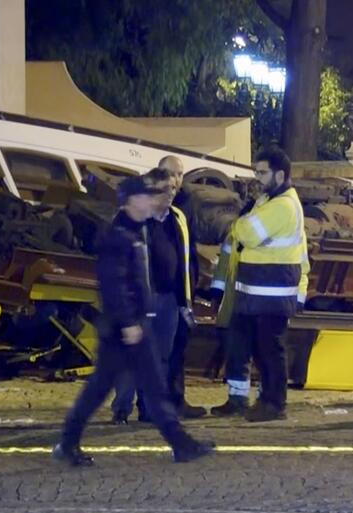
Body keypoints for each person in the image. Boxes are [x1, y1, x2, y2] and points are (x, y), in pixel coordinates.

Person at [53, 174, 214, 466]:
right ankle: (68, 442)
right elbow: (113, 284)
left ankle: (180, 444)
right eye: (143, 196)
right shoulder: (118, 235)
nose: (149, 201)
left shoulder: (135, 231)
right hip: (124, 329)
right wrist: (128, 323)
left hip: (134, 325)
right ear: (129, 202)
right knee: (104, 389)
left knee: (148, 385)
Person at [209, 146, 309, 422]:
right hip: (257, 291)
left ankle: (274, 404)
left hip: (270, 291)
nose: (257, 177)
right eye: (256, 171)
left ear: (280, 175)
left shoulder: (283, 205)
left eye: (262, 172)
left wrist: (240, 223)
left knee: (270, 349)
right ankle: (253, 401)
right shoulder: (270, 200)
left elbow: (245, 232)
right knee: (251, 346)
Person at [110, 163, 205, 423]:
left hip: (169, 301)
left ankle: (149, 408)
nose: (171, 194)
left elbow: (186, 259)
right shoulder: (131, 218)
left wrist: (185, 299)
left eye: (174, 188)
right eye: (165, 190)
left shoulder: (177, 218)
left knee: (160, 358)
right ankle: (122, 407)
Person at [159, 155, 207, 419]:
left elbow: (190, 247)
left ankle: (176, 400)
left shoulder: (186, 203)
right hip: (161, 290)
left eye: (179, 174)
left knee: (177, 347)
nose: (175, 180)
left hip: (182, 289)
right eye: (170, 174)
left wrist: (192, 282)